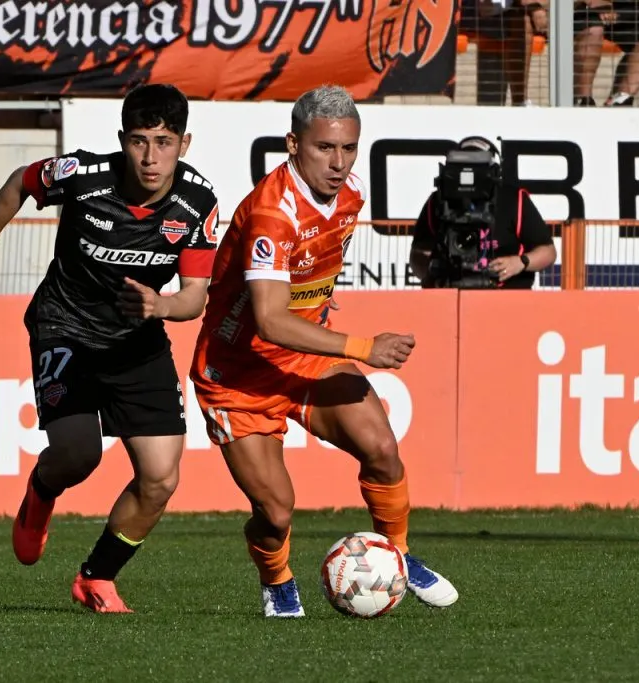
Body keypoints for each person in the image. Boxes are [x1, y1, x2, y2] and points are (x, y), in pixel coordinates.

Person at [0, 84, 219, 613]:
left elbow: (194, 299)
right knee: (80, 453)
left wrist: (160, 308)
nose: (150, 157)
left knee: (161, 477)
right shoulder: (84, 176)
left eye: (163, 142)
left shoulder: (199, 201)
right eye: (139, 141)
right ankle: (41, 492)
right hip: (64, 326)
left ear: (184, 143)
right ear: (123, 140)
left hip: (137, 339)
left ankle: (96, 578)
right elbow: (20, 183)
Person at [189, 85, 458, 618]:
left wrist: (323, 310)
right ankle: (277, 579)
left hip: (304, 359)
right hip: (238, 377)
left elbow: (315, 274)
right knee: (276, 509)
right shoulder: (271, 214)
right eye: (324, 149)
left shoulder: (350, 194)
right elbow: (268, 319)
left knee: (382, 447)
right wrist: (363, 348)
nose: (339, 163)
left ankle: (397, 556)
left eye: (349, 148)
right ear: (293, 144)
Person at [409, 136, 557, 289]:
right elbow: (418, 255)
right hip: (450, 297)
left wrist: (520, 262)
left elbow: (548, 252)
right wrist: (434, 269)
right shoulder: (439, 201)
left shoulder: (513, 200)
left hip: (507, 297)